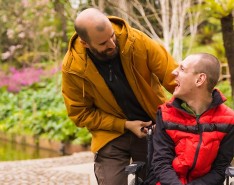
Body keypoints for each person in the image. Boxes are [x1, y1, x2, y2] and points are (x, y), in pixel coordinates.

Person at [61, 7, 178, 185]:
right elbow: (80, 114)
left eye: (112, 36)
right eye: (103, 43)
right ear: (85, 43)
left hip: (151, 126)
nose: (112, 44)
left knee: (157, 180)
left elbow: (175, 78)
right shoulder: (72, 68)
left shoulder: (137, 41)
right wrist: (124, 125)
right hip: (110, 134)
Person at [145, 53, 234, 185]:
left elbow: (220, 170)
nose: (174, 72)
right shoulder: (165, 114)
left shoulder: (229, 120)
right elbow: (161, 163)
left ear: (199, 80)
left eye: (182, 69)